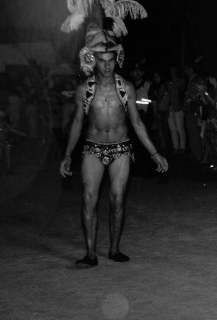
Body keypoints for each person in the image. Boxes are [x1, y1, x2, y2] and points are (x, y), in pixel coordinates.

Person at [59, 26, 168, 268]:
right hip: (92, 149)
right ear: (92, 61)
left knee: (117, 200)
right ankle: (90, 253)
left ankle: (115, 248)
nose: (107, 66)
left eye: (111, 60)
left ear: (116, 59)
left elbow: (137, 122)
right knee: (88, 198)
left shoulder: (126, 87)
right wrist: (67, 154)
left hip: (120, 149)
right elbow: (77, 122)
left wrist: (155, 153)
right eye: (102, 61)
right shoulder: (84, 90)